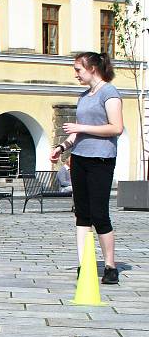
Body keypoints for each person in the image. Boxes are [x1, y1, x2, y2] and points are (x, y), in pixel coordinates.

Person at [50, 51, 123, 284]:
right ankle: (85, 264)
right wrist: (62, 147)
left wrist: (81, 126)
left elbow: (116, 128)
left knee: (100, 214)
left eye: (78, 69)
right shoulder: (84, 96)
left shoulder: (109, 93)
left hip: (101, 160)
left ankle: (110, 265)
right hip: (80, 159)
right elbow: (77, 133)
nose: (76, 74)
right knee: (82, 214)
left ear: (93, 68)